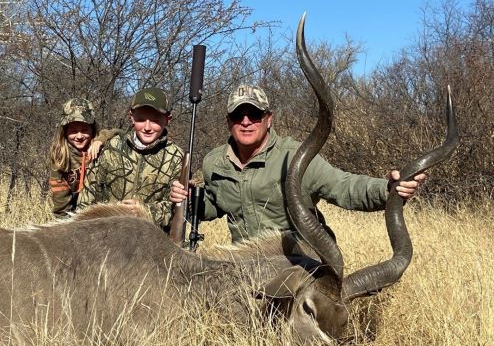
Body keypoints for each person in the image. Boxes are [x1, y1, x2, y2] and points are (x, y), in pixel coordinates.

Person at [170, 84, 427, 243]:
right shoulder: (215, 162)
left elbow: (343, 186)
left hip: (299, 259)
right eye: (238, 115)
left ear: (268, 119)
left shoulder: (296, 156)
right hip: (247, 263)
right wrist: (188, 198)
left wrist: (388, 189)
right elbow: (214, 205)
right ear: (229, 121)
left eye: (254, 114)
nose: (246, 121)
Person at [77, 87, 184, 231]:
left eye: (155, 120)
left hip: (151, 240)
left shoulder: (176, 157)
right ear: (131, 117)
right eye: (141, 119)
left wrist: (145, 211)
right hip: (106, 235)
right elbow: (87, 197)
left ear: (167, 120)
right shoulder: (111, 147)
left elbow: (176, 209)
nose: (147, 127)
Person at [48, 98, 122, 218]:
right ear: (65, 132)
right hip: (75, 214)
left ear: (92, 130)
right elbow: (60, 202)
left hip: (105, 212)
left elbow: (121, 133)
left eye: (85, 130)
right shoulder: (60, 156)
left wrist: (101, 139)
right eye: (73, 131)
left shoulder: (102, 147)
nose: (79, 136)